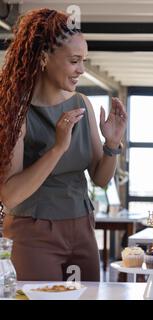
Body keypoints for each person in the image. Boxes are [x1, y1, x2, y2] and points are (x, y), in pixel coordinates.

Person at [0, 8, 127, 281]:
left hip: (82, 228)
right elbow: (10, 195)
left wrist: (112, 144)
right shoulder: (16, 112)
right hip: (33, 233)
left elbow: (101, 179)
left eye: (83, 60)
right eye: (74, 61)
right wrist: (58, 148)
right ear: (44, 58)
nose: (81, 69)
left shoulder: (81, 104)